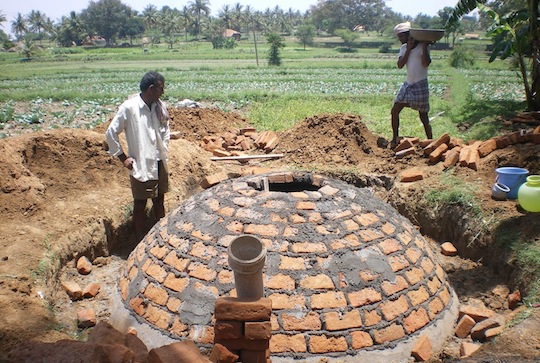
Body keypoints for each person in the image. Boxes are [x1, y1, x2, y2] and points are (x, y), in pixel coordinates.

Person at [106, 71, 170, 242]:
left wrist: (164, 148)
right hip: (141, 163)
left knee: (159, 201)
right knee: (140, 204)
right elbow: (111, 133)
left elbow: (166, 130)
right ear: (151, 89)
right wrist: (123, 158)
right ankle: (139, 240)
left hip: (159, 161)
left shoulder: (159, 107)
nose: (162, 92)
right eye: (160, 88)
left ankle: (161, 237)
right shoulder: (129, 107)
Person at [391, 22, 433, 148]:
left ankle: (431, 141)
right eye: (399, 38)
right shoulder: (404, 48)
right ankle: (394, 138)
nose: (401, 40)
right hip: (408, 84)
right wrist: (408, 49)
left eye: (402, 37)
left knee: (423, 116)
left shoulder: (422, 47)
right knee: (395, 111)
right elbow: (400, 65)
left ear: (410, 35)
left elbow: (426, 63)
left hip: (420, 84)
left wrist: (425, 46)